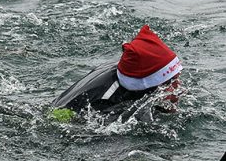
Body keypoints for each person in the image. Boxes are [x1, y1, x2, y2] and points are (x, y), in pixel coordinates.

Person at [49, 25, 181, 120]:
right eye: (172, 81)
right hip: (62, 116)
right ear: (147, 84)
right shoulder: (106, 101)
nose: (178, 85)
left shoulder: (133, 70)